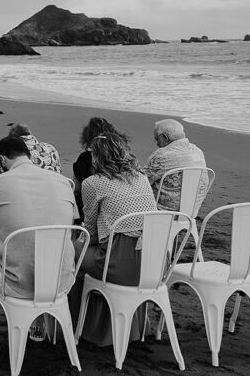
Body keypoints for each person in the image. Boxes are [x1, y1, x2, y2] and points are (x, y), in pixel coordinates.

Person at [0, 136, 77, 345]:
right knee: (43, 249)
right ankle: (38, 324)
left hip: (16, 282)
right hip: (60, 281)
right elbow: (68, 233)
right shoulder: (63, 182)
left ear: (3, 159)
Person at [72, 132, 158, 347]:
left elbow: (90, 230)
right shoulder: (141, 177)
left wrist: (77, 241)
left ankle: (80, 325)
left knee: (68, 249)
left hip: (119, 262)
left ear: (97, 157)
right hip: (153, 262)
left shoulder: (94, 182)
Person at [144, 119, 209, 212]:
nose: (156, 143)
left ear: (164, 137)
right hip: (191, 211)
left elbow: (142, 182)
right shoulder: (197, 151)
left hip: (163, 212)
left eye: (156, 138)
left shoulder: (162, 155)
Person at [72, 117, 128, 216]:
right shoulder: (122, 158)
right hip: (123, 209)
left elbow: (76, 188)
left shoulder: (84, 160)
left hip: (92, 211)